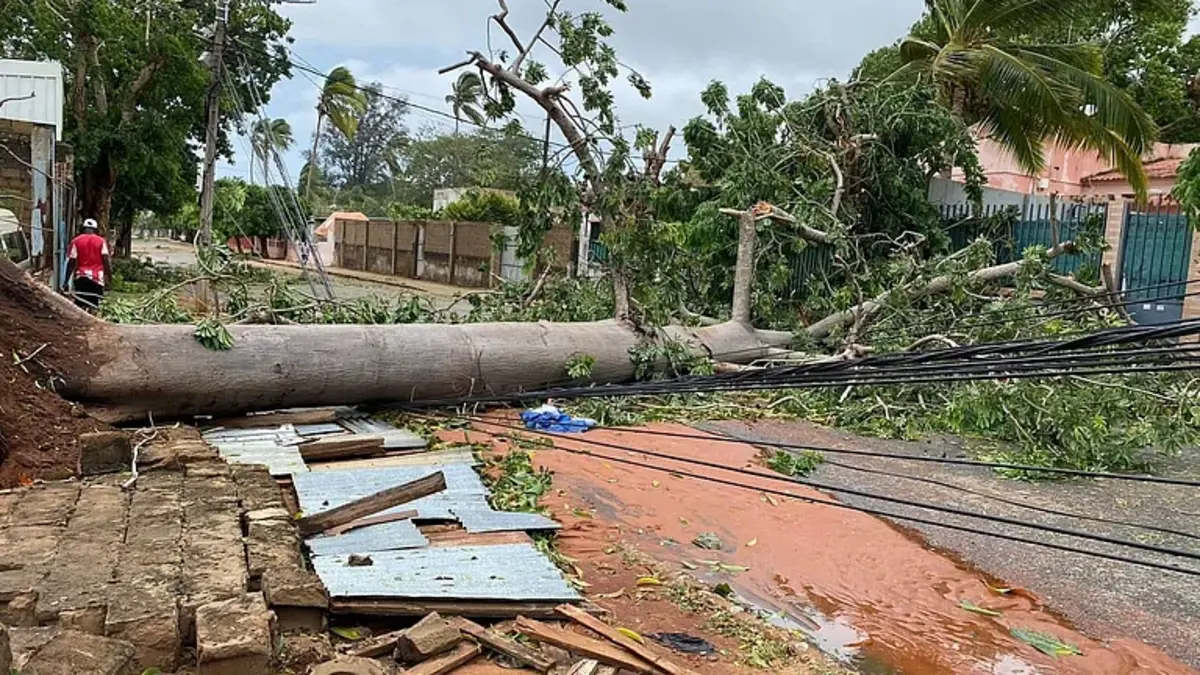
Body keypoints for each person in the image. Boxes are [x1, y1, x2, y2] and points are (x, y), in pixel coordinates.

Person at [64, 218, 112, 312]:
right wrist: (109, 277)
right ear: (95, 229)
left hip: (81, 277)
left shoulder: (76, 241)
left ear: (83, 228)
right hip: (96, 279)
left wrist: (66, 281)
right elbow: (106, 260)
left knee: (79, 304)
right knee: (94, 304)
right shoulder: (101, 241)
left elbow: (71, 262)